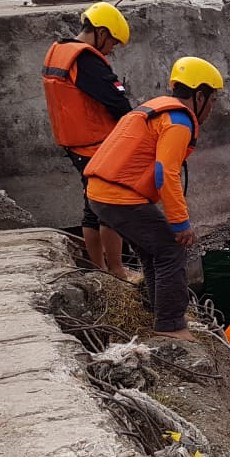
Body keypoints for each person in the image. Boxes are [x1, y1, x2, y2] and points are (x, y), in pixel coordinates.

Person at [84, 57, 225, 341]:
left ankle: (157, 309)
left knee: (151, 252)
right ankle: (171, 326)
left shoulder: (156, 110)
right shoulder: (178, 122)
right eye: (212, 99)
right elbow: (165, 172)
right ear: (199, 95)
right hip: (119, 197)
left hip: (99, 193)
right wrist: (180, 222)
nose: (212, 107)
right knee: (171, 250)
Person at [41, 2, 134, 280]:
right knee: (110, 206)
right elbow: (116, 101)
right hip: (98, 145)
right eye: (113, 41)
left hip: (75, 145)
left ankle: (99, 268)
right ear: (101, 32)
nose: (112, 48)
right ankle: (116, 272)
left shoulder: (58, 50)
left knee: (91, 205)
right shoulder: (86, 60)